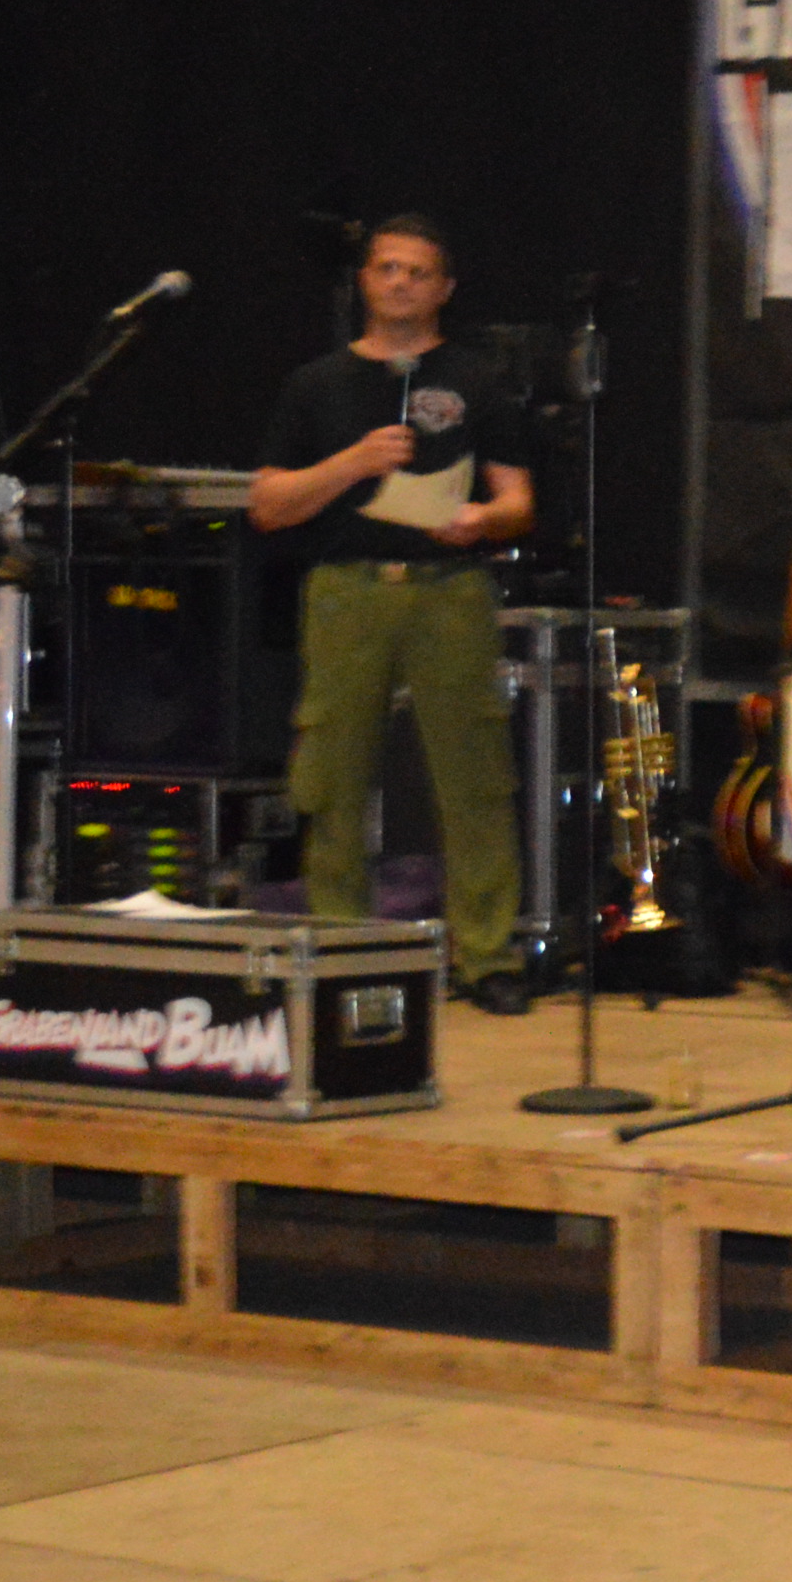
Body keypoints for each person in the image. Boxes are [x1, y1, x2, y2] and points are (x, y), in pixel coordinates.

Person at [248, 217, 538, 1011]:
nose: (401, 282)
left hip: (451, 590)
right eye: (387, 268)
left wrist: (484, 519)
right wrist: (355, 462)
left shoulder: (477, 380)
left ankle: (486, 956)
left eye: (418, 272)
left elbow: (519, 500)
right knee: (333, 776)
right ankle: (342, 951)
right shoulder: (316, 385)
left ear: (444, 289)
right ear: (364, 281)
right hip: (347, 590)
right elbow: (268, 505)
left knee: (475, 777)